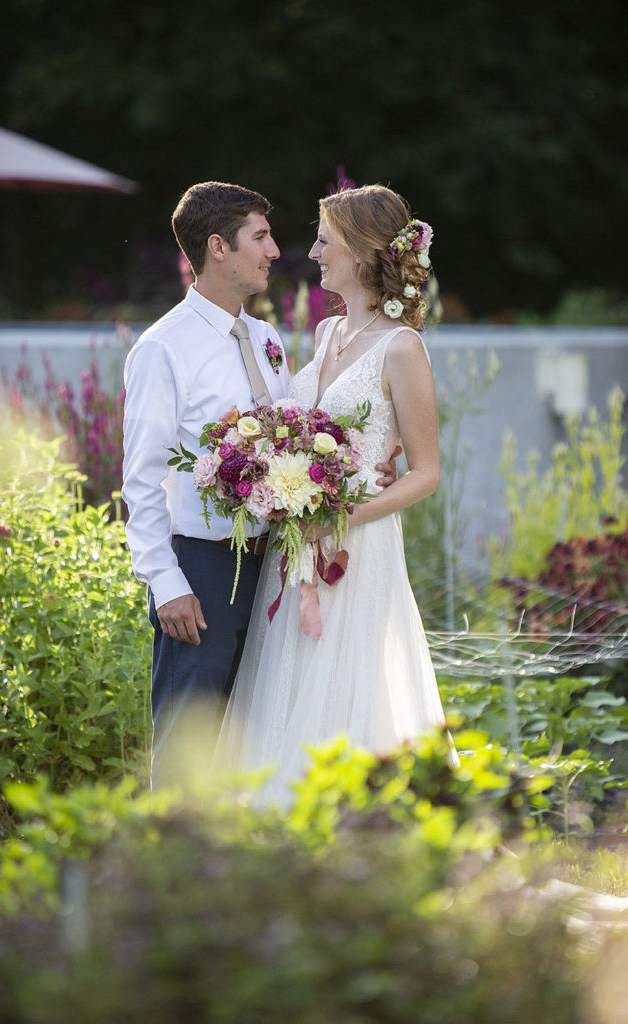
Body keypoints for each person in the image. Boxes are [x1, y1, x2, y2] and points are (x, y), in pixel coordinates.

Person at [122, 181, 397, 788]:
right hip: (203, 570)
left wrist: (371, 457)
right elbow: (139, 483)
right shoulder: (162, 349)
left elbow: (297, 436)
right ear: (218, 247)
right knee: (187, 742)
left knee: (252, 740)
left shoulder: (268, 341)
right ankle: (166, 873)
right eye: (261, 236)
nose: (276, 250)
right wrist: (166, 584)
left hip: (275, 563)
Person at [214, 184, 458, 805]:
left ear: (363, 250)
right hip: (296, 547)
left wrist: (342, 516)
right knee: (288, 681)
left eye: (326, 239)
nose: (315, 251)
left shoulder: (402, 347)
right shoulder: (327, 334)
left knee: (347, 684)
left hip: (358, 548)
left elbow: (425, 471)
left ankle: (352, 827)